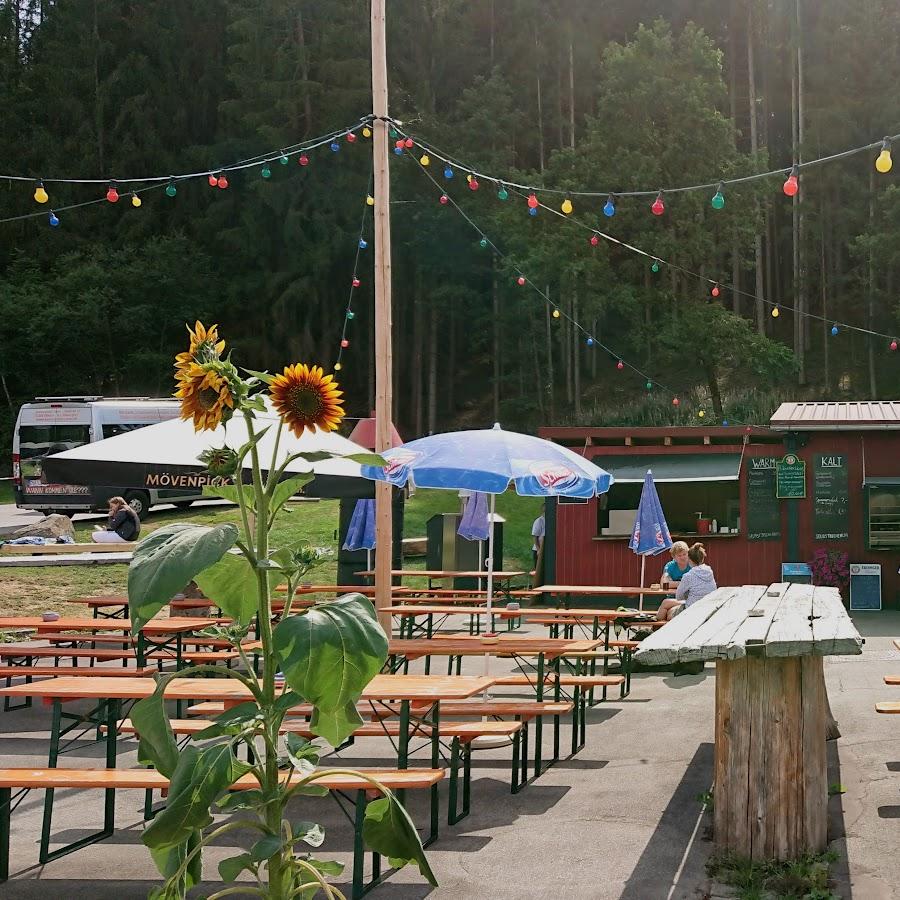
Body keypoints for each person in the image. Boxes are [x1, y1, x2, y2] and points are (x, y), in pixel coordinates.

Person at [655, 541, 691, 621]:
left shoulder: (692, 565)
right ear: (674, 557)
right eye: (679, 555)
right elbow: (664, 585)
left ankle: (655, 630)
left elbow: (694, 584)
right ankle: (655, 629)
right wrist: (683, 583)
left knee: (668, 612)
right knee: (667, 613)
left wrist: (672, 583)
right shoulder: (670, 566)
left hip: (688, 598)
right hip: (673, 597)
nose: (683, 557)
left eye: (684, 554)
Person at [674, 543, 717, 608]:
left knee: (669, 612)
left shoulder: (688, 576)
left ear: (689, 559)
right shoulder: (709, 571)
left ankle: (655, 618)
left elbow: (678, 597)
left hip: (692, 610)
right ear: (702, 558)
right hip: (709, 608)